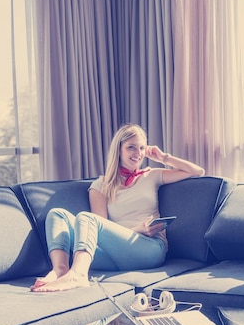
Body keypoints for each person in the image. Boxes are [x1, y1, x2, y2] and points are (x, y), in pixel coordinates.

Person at [31, 123, 205, 292]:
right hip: (113, 254)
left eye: (142, 148)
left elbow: (197, 172)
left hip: (148, 248)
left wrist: (163, 157)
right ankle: (61, 270)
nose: (138, 153)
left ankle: (78, 275)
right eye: (131, 147)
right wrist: (136, 229)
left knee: (85, 218)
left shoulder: (151, 176)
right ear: (119, 150)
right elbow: (99, 227)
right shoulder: (101, 184)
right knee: (57, 214)